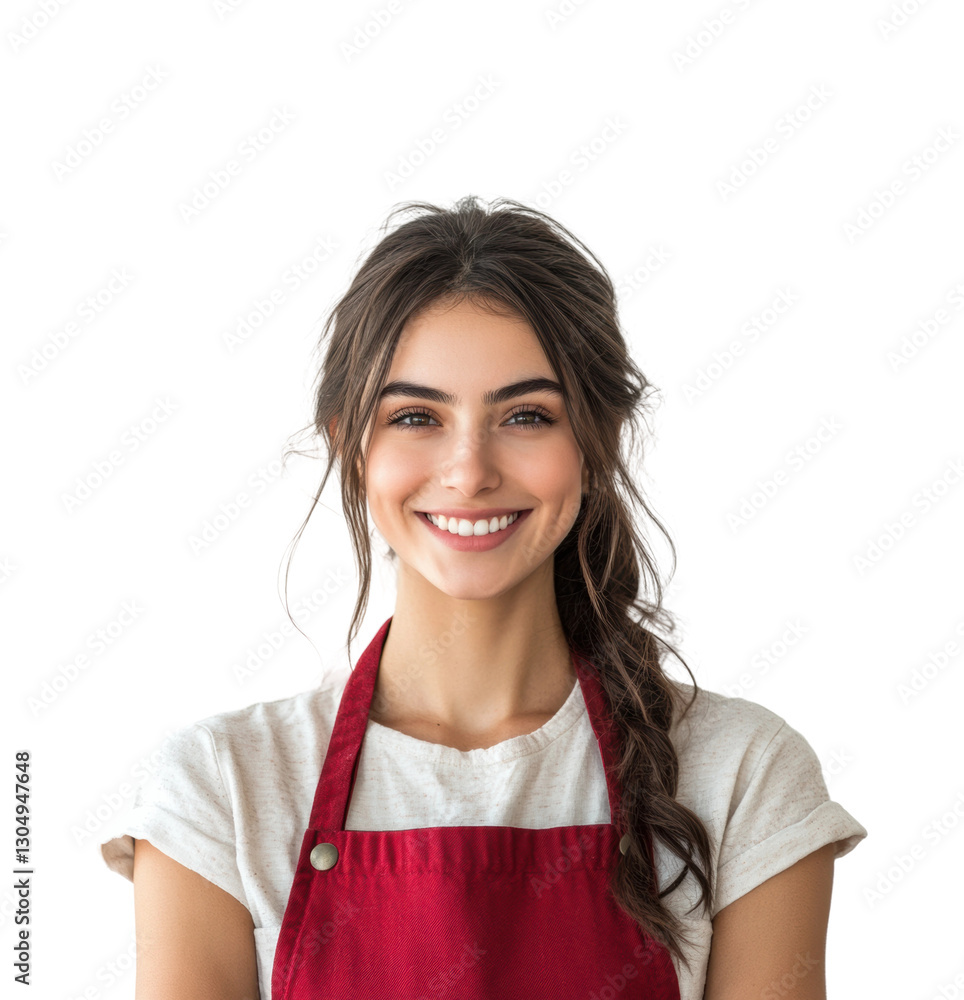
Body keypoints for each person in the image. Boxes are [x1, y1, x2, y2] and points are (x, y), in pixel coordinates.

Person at [101, 195, 867, 999]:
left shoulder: (740, 775)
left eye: (527, 415)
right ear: (349, 445)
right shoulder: (225, 786)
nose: (469, 470)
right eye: (417, 417)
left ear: (597, 442)